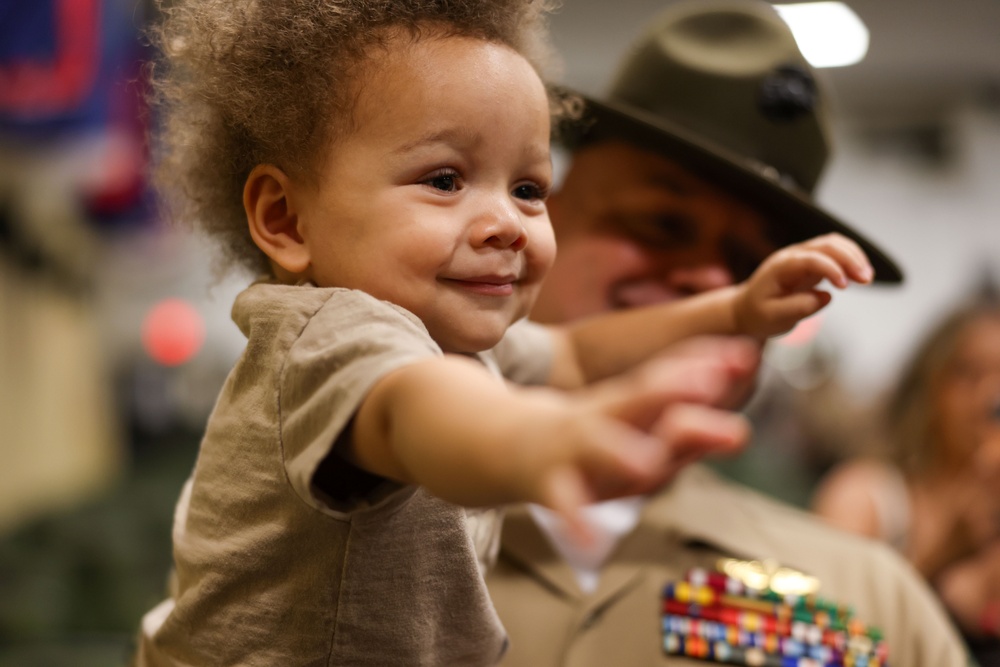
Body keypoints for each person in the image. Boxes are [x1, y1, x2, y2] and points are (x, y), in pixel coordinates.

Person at [132, 0, 874, 664]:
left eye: (526, 188)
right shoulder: (328, 336)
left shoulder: (449, 344)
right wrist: (540, 439)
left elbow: (577, 354)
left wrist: (733, 312)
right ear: (285, 218)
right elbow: (415, 409)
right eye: (445, 180)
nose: (506, 225)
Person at [484, 1, 972, 665]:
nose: (717, 286)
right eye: (661, 224)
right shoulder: (358, 522)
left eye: (752, 266)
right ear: (548, 217)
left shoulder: (871, 604)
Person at [813, 288, 1000, 663]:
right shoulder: (865, 495)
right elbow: (826, 640)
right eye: (968, 374)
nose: (990, 398)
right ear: (928, 382)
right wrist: (941, 556)